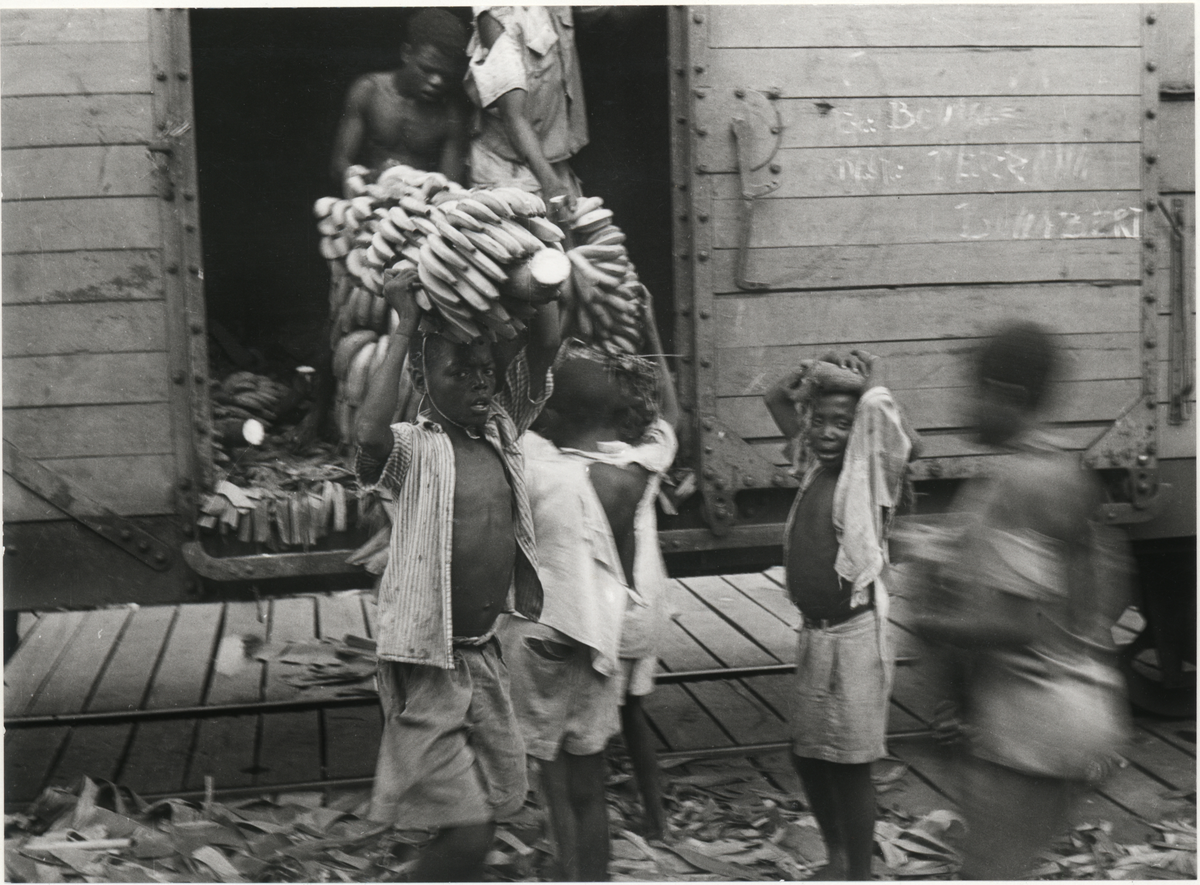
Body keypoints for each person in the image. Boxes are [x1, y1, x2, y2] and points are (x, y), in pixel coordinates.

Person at [353, 264, 559, 881]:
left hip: (484, 658)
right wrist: (407, 323)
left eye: (483, 370)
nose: (476, 382)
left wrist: (542, 269)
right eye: (456, 371)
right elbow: (368, 432)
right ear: (422, 378)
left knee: (487, 818)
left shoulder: (501, 430)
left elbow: (544, 345)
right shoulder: (417, 448)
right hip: (431, 665)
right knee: (468, 835)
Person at [912, 322, 1131, 879]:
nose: (964, 405)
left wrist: (933, 621)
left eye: (973, 389)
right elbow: (1105, 590)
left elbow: (1016, 623)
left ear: (1008, 397)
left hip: (1028, 727)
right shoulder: (1065, 472)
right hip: (1079, 709)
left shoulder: (1013, 483)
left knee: (988, 872)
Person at [503, 325, 678, 878]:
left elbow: (507, 427)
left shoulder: (536, 466)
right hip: (601, 643)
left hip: (544, 641)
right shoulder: (632, 473)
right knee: (589, 779)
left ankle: (568, 869)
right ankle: (593, 875)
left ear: (550, 418)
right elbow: (666, 432)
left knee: (554, 779)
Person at [762, 351, 916, 881]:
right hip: (816, 635)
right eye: (819, 420)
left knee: (851, 766)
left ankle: (857, 872)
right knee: (808, 755)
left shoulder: (868, 478)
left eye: (842, 424)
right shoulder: (812, 467)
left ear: (863, 432)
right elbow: (776, 398)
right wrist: (811, 370)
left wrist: (872, 379)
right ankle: (837, 857)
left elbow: (891, 427)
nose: (827, 433)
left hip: (853, 637)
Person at [330, 8, 471, 187]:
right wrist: (373, 177)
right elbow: (338, 166)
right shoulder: (369, 90)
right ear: (406, 53)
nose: (437, 81)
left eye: (445, 75)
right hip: (366, 197)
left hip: (421, 207)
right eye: (427, 70)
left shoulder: (451, 115)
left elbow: (449, 187)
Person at [465, 6, 588, 205]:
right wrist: (552, 185)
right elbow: (512, 115)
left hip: (554, 159)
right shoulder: (496, 15)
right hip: (507, 167)